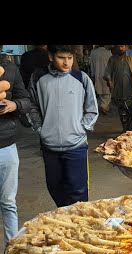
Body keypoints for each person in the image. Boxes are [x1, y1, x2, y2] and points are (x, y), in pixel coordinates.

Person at [28, 45, 99, 208]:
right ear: (51, 56)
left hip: (76, 146)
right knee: (55, 188)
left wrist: (80, 128)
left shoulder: (81, 78)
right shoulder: (38, 78)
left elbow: (92, 109)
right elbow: (31, 105)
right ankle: (64, 222)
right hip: (49, 146)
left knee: (78, 193)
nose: (66, 62)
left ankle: (78, 226)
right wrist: (41, 129)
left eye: (70, 58)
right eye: (61, 58)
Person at [0, 60, 31, 243]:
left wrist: (14, 105)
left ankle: (11, 245)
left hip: (6, 146)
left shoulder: (10, 69)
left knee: (8, 201)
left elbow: (26, 101)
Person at [103, 45, 132, 110]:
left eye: (122, 46)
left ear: (126, 47)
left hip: (130, 87)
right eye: (119, 46)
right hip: (117, 88)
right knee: (117, 107)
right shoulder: (112, 59)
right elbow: (107, 72)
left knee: (129, 106)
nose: (121, 48)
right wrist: (109, 80)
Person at [89, 45, 112, 115]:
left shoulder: (93, 52)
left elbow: (91, 65)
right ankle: (104, 106)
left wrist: (93, 75)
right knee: (107, 92)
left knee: (101, 92)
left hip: (97, 75)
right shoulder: (108, 53)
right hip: (107, 76)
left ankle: (103, 106)